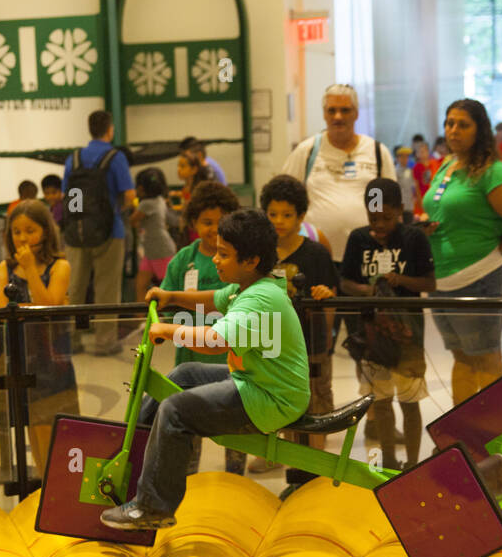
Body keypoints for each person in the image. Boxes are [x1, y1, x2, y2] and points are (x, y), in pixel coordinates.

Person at [101, 210, 309, 530]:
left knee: (175, 410)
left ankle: (153, 506)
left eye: (224, 254)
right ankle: (134, 464)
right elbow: (213, 299)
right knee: (185, 374)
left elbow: (215, 341)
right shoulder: (249, 285)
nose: (215, 260)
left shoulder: (260, 298)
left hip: (271, 397)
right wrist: (171, 296)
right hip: (257, 382)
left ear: (251, 260)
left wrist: (168, 330)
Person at [420, 99, 502, 403]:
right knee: (462, 359)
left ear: (479, 130)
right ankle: (465, 440)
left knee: (486, 359)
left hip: (478, 276)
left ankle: (499, 437)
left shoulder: (492, 171)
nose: (453, 130)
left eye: (463, 125)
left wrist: (500, 249)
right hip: (440, 279)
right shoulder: (446, 165)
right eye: (449, 123)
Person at [340, 178, 435, 470]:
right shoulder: (358, 239)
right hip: (371, 338)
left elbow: (429, 282)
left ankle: (414, 462)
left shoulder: (413, 239)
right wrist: (368, 291)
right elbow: (344, 282)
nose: (379, 225)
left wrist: (399, 280)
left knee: (410, 401)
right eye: (373, 218)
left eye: (387, 218)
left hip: (408, 337)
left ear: (400, 211)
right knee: (380, 402)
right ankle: (391, 461)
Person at [158, 181, 246, 476]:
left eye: (221, 222)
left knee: (237, 433)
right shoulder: (183, 260)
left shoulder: (239, 259)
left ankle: (237, 483)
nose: (213, 229)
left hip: (231, 363)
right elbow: (166, 304)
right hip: (191, 362)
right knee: (187, 433)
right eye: (206, 222)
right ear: (193, 221)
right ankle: (188, 486)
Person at [257, 174, 338, 482]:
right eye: (273, 214)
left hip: (311, 347)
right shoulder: (259, 256)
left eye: (287, 215)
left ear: (301, 216)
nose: (279, 221)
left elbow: (328, 300)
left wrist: (324, 344)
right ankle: (294, 470)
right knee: (283, 406)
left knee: (316, 406)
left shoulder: (315, 254)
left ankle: (315, 472)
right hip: (272, 347)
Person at [0, 200, 80, 472]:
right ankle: (42, 485)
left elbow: (50, 306)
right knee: (31, 426)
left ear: (45, 230)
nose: (22, 238)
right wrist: (25, 308)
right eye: (16, 231)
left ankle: (55, 488)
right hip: (20, 357)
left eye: (29, 230)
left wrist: (31, 269)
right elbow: (1, 312)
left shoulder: (59, 266)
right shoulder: (4, 268)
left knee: (55, 428)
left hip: (52, 359)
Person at [281, 84, 396, 261]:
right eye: (332, 110)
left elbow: (387, 204)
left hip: (368, 255)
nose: (338, 117)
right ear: (324, 114)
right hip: (316, 256)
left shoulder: (377, 152)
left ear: (356, 113)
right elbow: (283, 199)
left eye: (345, 110)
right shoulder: (307, 152)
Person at [62, 110, 136, 356]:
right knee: (107, 288)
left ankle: (71, 339)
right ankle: (104, 342)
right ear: (109, 129)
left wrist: (83, 219)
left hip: (76, 232)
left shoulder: (73, 159)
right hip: (109, 231)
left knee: (75, 287)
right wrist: (114, 212)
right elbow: (128, 195)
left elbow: (69, 198)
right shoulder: (115, 158)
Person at [132, 167, 180, 299]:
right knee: (141, 284)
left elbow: (132, 220)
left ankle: (167, 317)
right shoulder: (159, 199)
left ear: (143, 189)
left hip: (161, 251)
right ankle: (141, 317)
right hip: (152, 252)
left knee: (166, 288)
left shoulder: (146, 204)